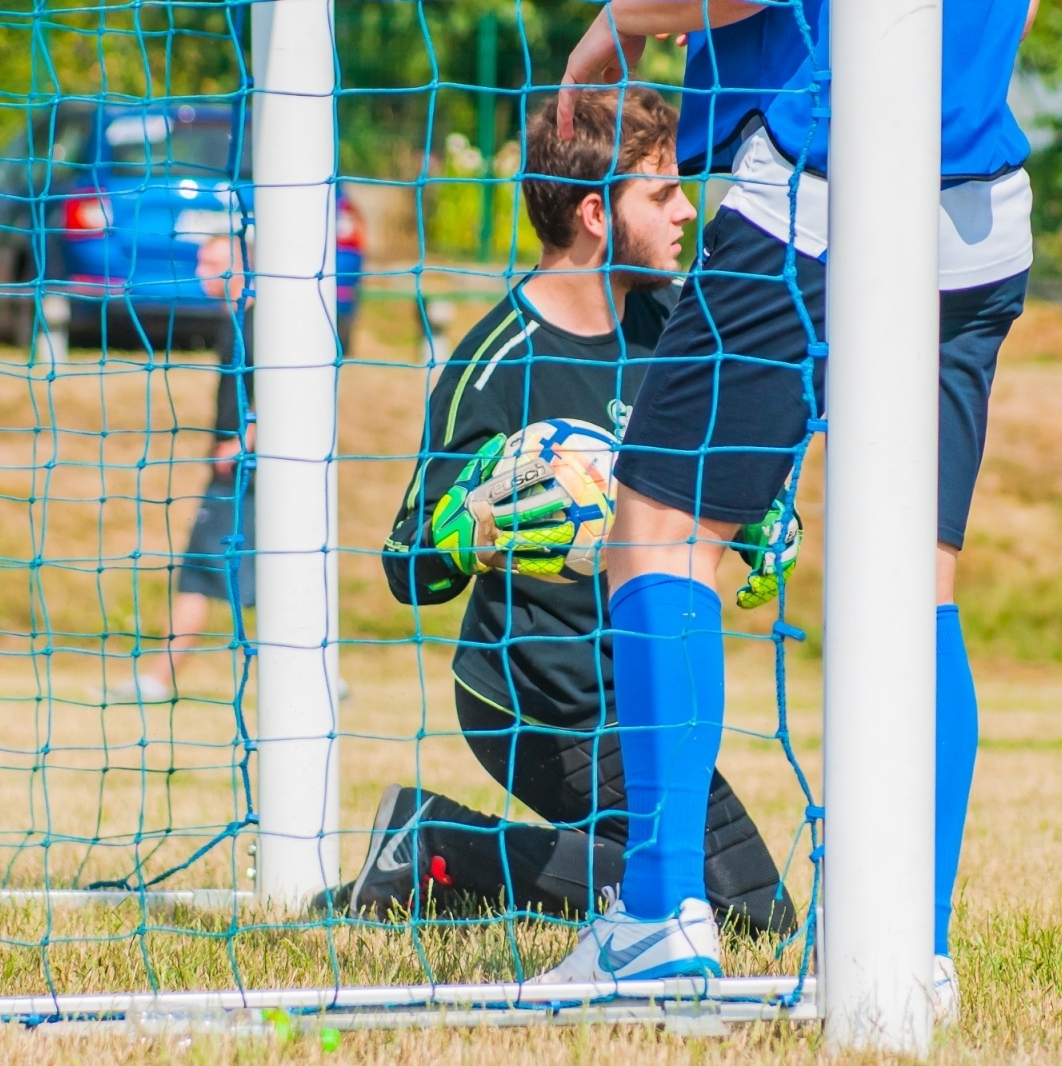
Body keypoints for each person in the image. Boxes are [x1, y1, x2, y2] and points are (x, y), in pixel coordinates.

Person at [534, 0, 1039, 1008]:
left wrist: (616, 27)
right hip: (981, 220)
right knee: (919, 585)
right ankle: (915, 949)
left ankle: (657, 914)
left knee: (659, 533)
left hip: (823, 190)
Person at [328, 88, 800, 936]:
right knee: (738, 915)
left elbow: (709, 459)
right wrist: (470, 526)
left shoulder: (674, 325)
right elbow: (406, 564)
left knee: (751, 914)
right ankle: (436, 847)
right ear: (594, 213)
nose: (686, 211)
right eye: (662, 193)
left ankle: (433, 843)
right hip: (539, 706)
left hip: (643, 688)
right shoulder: (495, 362)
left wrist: (754, 508)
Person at [103, 235, 258, 704]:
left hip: (247, 473)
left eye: (210, 262)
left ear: (241, 265)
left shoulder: (261, 323)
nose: (199, 273)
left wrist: (244, 442)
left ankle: (158, 680)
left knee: (204, 573)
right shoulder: (239, 320)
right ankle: (324, 675)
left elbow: (286, 389)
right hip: (237, 470)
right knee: (230, 575)